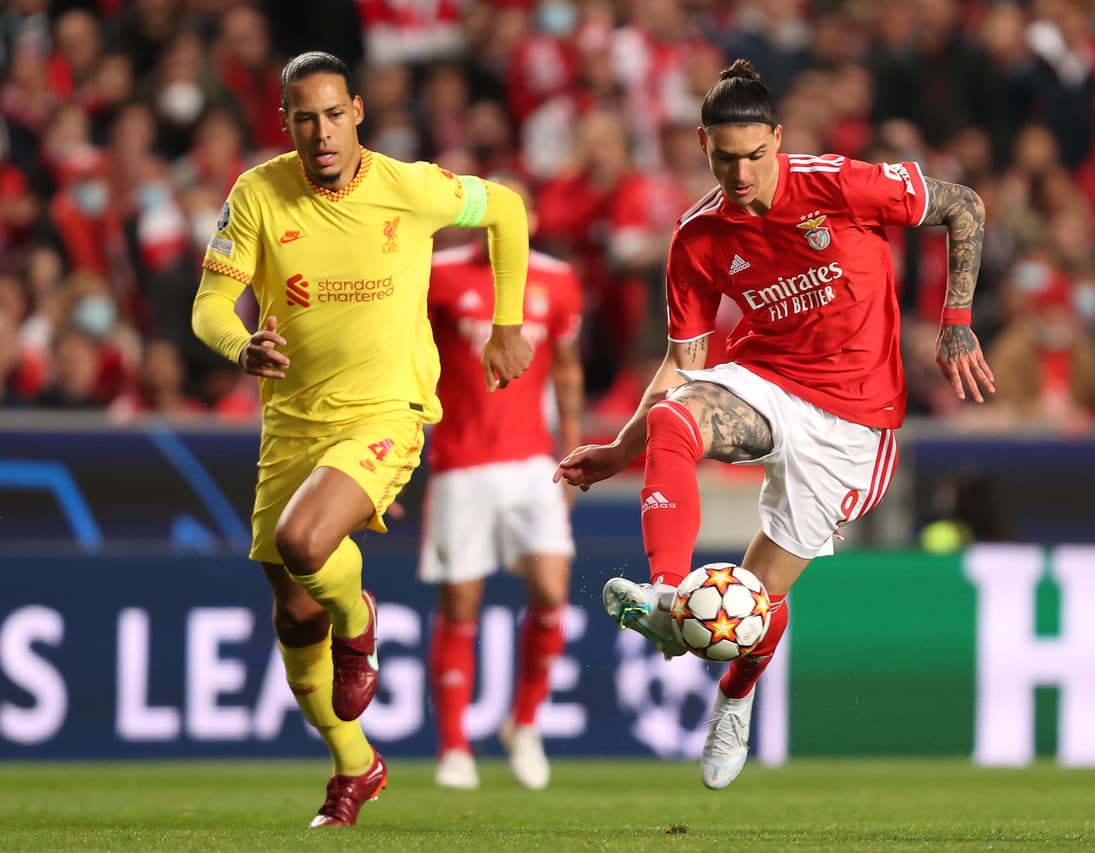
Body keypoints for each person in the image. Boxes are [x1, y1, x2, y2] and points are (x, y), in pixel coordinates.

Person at [555, 59, 995, 790]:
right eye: (725, 158)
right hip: (766, 381)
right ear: (703, 145)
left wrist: (955, 322)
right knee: (674, 417)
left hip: (855, 421)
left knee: (742, 621)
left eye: (756, 155)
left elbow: (965, 205)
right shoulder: (697, 237)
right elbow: (680, 365)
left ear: (778, 140)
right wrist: (618, 449)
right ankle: (667, 588)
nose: (741, 173)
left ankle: (735, 698)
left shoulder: (835, 184)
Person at [190, 51, 533, 827]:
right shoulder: (257, 192)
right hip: (292, 423)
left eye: (334, 114)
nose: (321, 132)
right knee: (290, 616)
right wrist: (238, 345)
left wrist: (506, 322)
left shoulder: (407, 187)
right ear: (285, 121)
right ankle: (356, 767)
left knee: (307, 543)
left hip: (384, 411)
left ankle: (360, 620)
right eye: (304, 117)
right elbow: (210, 302)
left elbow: (507, 209)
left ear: (357, 114)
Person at [418, 178, 584, 791]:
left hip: (531, 463)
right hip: (460, 462)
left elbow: (567, 368)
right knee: (460, 602)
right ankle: (455, 745)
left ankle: (525, 721)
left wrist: (572, 446)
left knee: (550, 590)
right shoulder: (436, 274)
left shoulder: (558, 281)